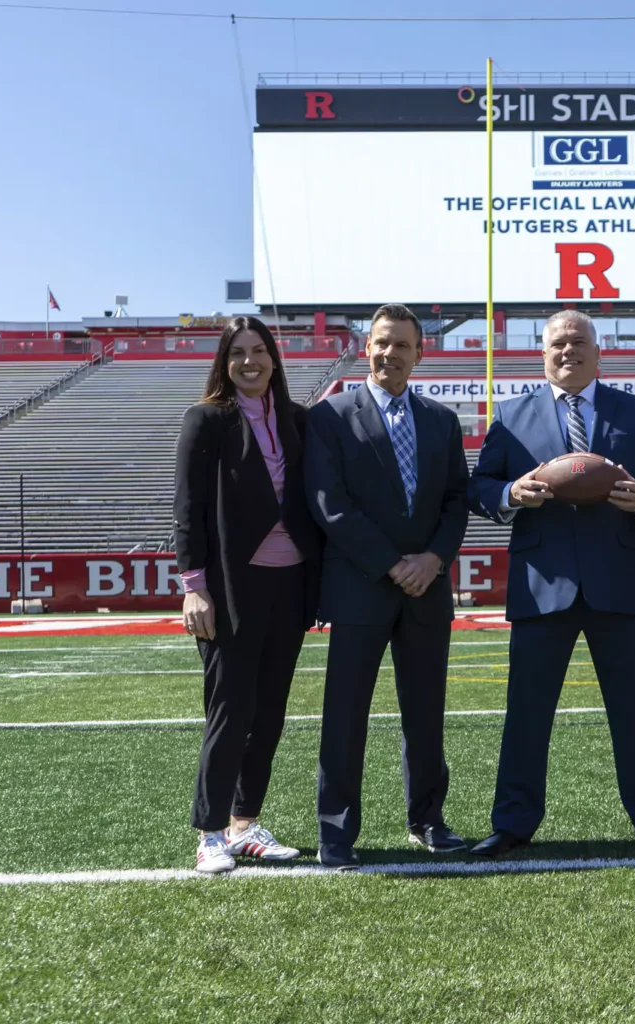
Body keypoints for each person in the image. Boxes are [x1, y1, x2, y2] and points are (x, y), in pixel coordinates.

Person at [465, 309, 635, 856]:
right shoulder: (512, 414)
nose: (567, 352)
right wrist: (509, 494)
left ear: (598, 349)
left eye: (578, 342)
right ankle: (513, 822)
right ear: (542, 354)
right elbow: (480, 486)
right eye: (557, 345)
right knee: (526, 712)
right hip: (541, 582)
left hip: (615, 581)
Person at [304, 303, 470, 869]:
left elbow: (455, 501)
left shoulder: (442, 421)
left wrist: (433, 559)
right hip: (360, 587)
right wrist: (392, 563)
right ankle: (336, 831)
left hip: (427, 589)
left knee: (425, 714)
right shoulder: (328, 417)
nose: (389, 354)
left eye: (401, 345)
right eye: (380, 343)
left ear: (419, 353)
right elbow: (330, 505)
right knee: (345, 714)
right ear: (364, 347)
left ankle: (427, 819)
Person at [174, 315, 322, 875]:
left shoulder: (298, 421)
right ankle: (210, 832)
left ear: (274, 358)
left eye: (259, 351)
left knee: (271, 714)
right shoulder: (205, 420)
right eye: (238, 353)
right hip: (231, 589)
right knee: (230, 711)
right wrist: (195, 588)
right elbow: (187, 509)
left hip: (291, 584)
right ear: (224, 361)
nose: (250, 362)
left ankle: (245, 825)